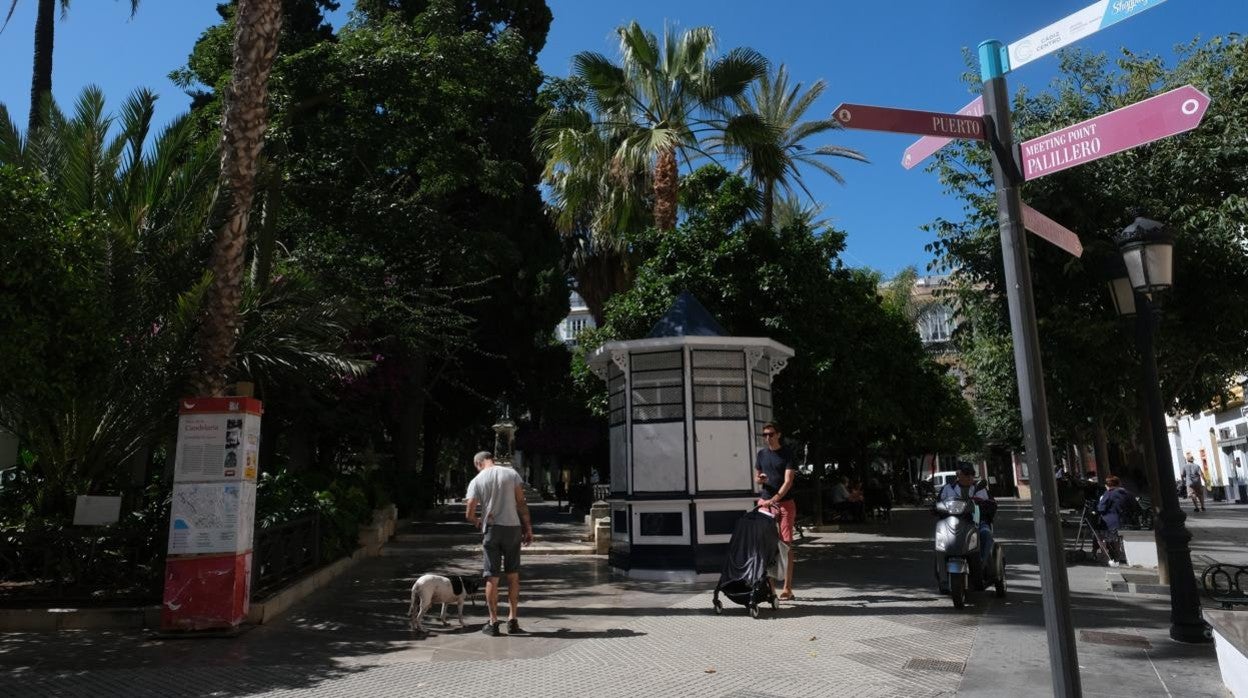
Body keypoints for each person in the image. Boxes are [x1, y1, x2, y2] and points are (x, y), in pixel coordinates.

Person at [465, 451, 534, 636]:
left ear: (478, 463)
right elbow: (521, 503)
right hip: (513, 528)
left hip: (493, 529)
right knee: (513, 576)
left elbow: (469, 513)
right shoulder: (511, 474)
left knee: (491, 577)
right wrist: (528, 528)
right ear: (492, 460)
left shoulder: (477, 480)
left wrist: (477, 521)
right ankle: (512, 620)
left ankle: (493, 622)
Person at [755, 423, 797, 601]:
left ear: (778, 434)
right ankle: (771, 590)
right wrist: (760, 479)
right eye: (764, 434)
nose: (767, 437)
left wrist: (776, 498)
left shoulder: (787, 453)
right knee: (767, 545)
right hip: (766, 502)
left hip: (785, 503)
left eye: (771, 434)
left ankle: (787, 588)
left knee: (786, 545)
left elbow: (788, 481)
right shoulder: (761, 454)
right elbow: (757, 478)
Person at [937, 465, 995, 570]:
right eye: (966, 474)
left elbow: (992, 504)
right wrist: (937, 509)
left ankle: (982, 563)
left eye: (972, 474)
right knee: (940, 536)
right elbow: (938, 503)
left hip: (977, 522)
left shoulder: (980, 489)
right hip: (952, 523)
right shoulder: (947, 488)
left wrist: (983, 507)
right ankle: (941, 567)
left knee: (986, 534)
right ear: (958, 475)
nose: (970, 477)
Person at [1095, 476, 1138, 567]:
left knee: (1099, 536)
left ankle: (1106, 557)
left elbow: (1100, 508)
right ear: (1119, 483)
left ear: (1107, 485)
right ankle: (1120, 557)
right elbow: (1135, 507)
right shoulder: (1128, 493)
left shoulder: (1108, 493)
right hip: (1126, 521)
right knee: (1118, 539)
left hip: (1109, 522)